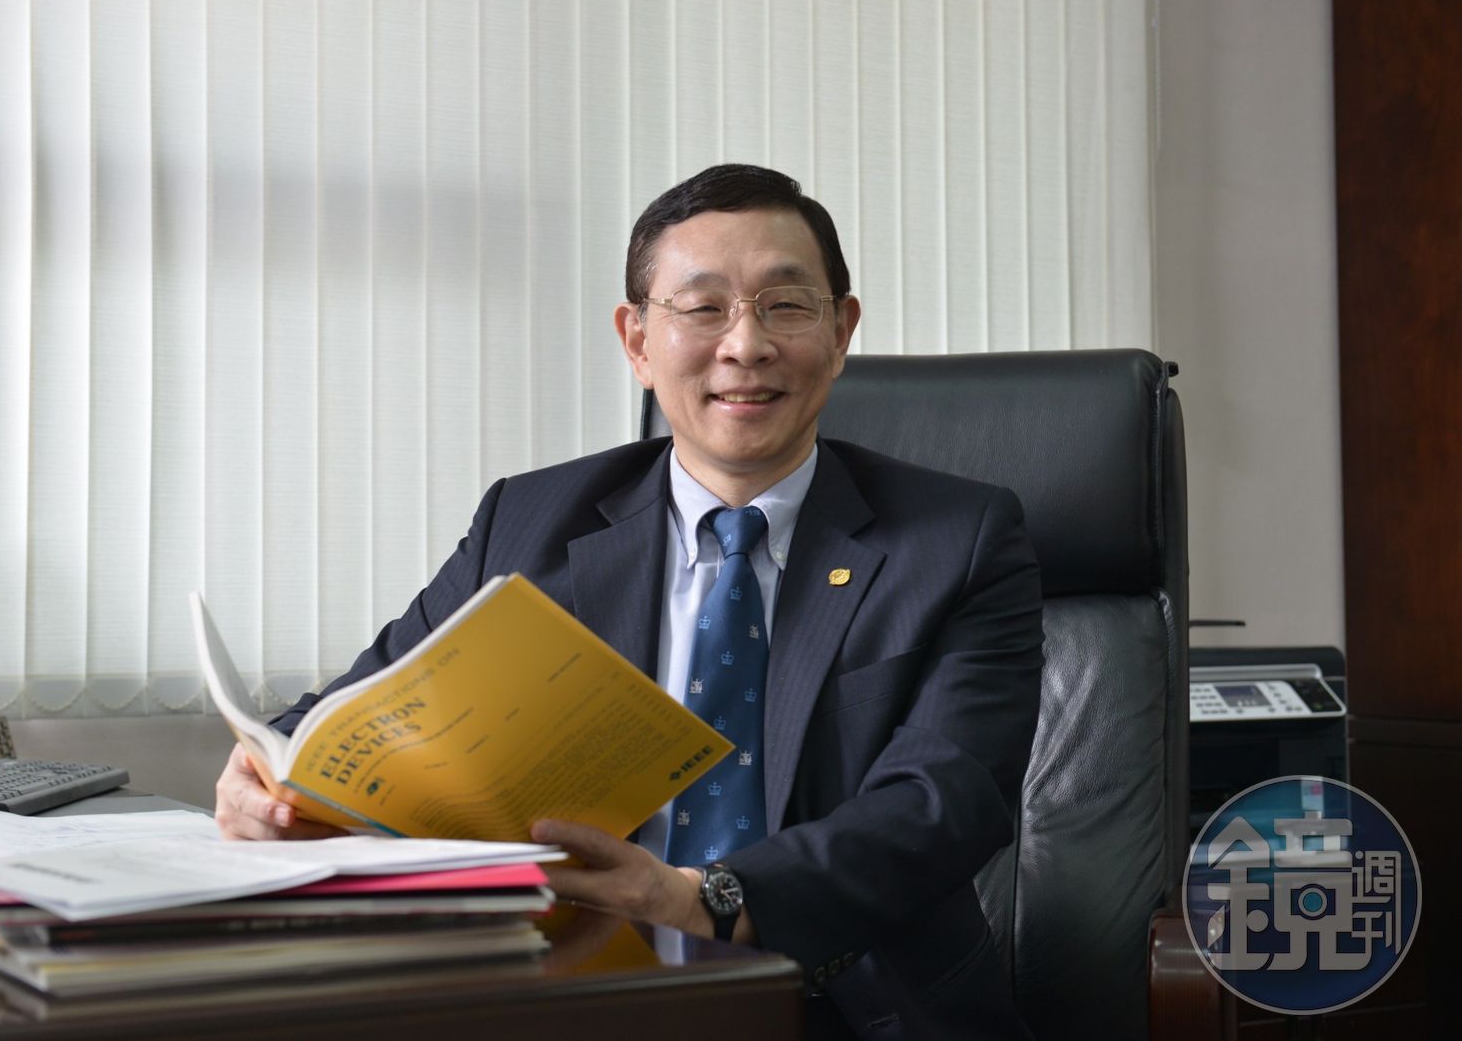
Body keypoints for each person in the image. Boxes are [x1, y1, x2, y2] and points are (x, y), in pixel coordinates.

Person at [216, 163, 1044, 1038]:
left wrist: (704, 900)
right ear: (638, 340)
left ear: (841, 332)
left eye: (785, 305)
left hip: (849, 1003)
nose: (746, 344)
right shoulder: (530, 523)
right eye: (703, 307)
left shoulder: (958, 540)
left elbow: (940, 802)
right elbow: (367, 707)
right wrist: (267, 778)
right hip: (569, 987)